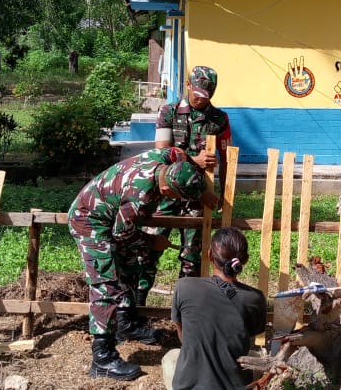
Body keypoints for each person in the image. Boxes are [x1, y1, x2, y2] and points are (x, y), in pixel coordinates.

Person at [67, 147, 215, 381]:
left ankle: (126, 324)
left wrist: (199, 177)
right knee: (106, 284)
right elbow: (122, 233)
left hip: (111, 216)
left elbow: (180, 154)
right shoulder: (140, 197)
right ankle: (102, 357)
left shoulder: (171, 157)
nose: (176, 201)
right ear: (166, 190)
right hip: (90, 220)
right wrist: (152, 242)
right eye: (177, 197)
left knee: (128, 267)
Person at [136, 65, 233, 305]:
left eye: (206, 96)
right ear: (188, 85)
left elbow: (227, 158)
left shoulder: (219, 119)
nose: (200, 99)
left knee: (192, 256)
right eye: (197, 94)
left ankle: (185, 310)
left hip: (197, 196)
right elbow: (161, 152)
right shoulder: (168, 112)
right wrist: (192, 160)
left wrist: (226, 193)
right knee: (149, 250)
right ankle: (137, 306)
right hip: (165, 193)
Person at [162, 226, 267, 390]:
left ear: (210, 254)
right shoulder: (256, 298)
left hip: (188, 386)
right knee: (257, 358)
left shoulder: (184, 286)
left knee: (170, 357)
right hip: (235, 385)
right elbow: (249, 337)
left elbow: (183, 335)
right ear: (245, 260)